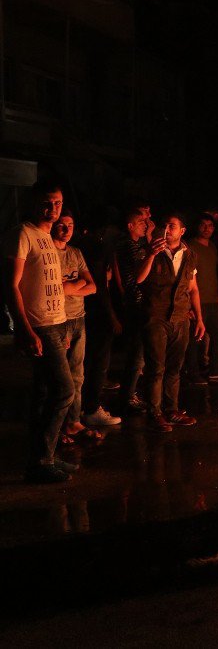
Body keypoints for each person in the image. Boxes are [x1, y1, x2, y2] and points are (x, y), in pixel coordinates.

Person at [3, 181, 76, 483]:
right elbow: (10, 285)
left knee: (45, 394)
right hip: (40, 325)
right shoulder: (23, 234)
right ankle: (41, 461)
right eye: (47, 203)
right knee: (65, 390)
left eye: (57, 203)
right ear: (35, 203)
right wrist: (24, 328)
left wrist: (64, 324)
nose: (53, 209)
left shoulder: (47, 236)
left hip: (57, 323)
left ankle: (44, 457)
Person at [141, 214, 205, 432]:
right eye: (164, 225)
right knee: (156, 367)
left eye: (172, 226)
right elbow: (139, 279)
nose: (167, 229)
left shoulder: (190, 255)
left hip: (180, 318)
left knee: (174, 368)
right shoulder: (152, 251)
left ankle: (171, 410)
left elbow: (193, 288)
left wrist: (200, 318)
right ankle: (155, 413)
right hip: (156, 317)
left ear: (182, 231)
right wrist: (151, 254)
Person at [51, 211, 102, 444]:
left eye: (70, 225)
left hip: (78, 318)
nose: (66, 229)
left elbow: (92, 287)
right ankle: (55, 427)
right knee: (59, 380)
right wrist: (75, 284)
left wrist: (71, 286)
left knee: (77, 375)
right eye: (61, 225)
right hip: (59, 320)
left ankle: (73, 421)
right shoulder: (49, 253)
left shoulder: (75, 253)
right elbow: (54, 289)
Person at [76, 222, 123, 429]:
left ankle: (81, 410)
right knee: (96, 363)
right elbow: (99, 287)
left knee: (87, 364)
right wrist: (111, 315)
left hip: (91, 310)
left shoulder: (85, 248)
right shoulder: (97, 248)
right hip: (96, 313)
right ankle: (91, 409)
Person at [113, 206, 153, 412]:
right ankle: (127, 396)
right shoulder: (129, 245)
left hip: (135, 302)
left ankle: (130, 393)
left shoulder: (134, 244)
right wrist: (152, 248)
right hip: (136, 303)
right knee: (137, 353)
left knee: (139, 352)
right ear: (130, 226)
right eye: (140, 223)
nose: (145, 225)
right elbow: (140, 275)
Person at [186, 213, 218, 382]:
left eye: (210, 225)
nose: (207, 229)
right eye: (203, 225)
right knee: (195, 339)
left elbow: (214, 272)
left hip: (213, 300)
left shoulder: (212, 247)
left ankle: (215, 369)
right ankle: (193, 372)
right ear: (197, 226)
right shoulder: (190, 246)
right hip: (196, 301)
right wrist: (187, 304)